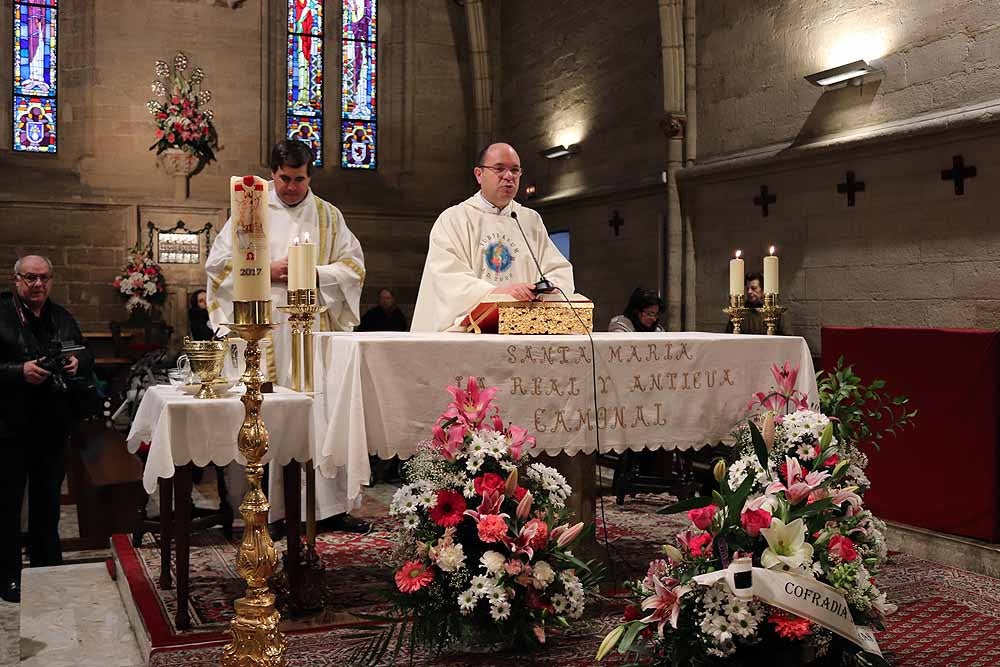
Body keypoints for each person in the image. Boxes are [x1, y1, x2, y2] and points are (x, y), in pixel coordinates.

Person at [205, 139, 368, 533]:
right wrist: (266, 270)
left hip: (314, 330)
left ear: (309, 175)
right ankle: (274, 510)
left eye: (298, 179)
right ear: (272, 173)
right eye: (283, 178)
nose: (291, 187)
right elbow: (218, 266)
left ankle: (328, 509)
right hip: (265, 329)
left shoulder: (329, 216)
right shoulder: (250, 210)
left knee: (321, 412)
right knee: (271, 414)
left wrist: (315, 274)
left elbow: (353, 267)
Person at [0, 255, 93, 603]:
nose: (38, 285)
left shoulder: (60, 316)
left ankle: (47, 566)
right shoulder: (3, 313)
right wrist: (17, 371)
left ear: (51, 281)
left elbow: (85, 353)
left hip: (51, 424)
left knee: (48, 501)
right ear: (16, 280)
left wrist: (75, 361)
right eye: (30, 278)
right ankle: (8, 573)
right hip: (8, 426)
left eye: (44, 278)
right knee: (7, 505)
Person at [411, 142, 575, 331]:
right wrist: (499, 293)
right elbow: (447, 278)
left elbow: (557, 269)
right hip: (470, 334)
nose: (508, 177)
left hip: (523, 329)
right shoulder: (453, 219)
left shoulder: (529, 220)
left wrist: (545, 288)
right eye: (499, 169)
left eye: (515, 170)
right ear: (479, 175)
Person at [726, 271, 784, 335]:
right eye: (747, 288)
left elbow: (788, 339)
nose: (749, 292)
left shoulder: (776, 312)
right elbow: (728, 337)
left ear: (763, 290)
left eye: (754, 288)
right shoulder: (738, 312)